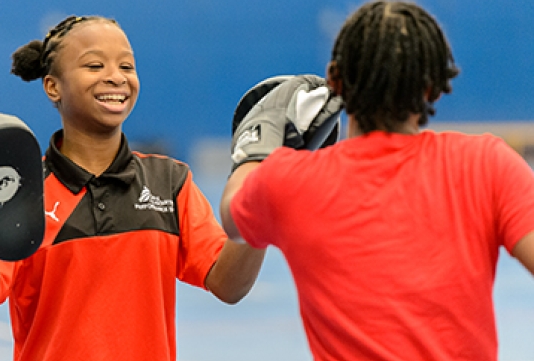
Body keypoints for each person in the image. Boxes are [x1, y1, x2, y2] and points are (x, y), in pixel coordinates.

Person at [221, 1, 534, 360]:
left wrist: (259, 143)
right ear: (431, 87)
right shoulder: (487, 164)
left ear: (335, 81)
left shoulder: (288, 182)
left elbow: (233, 216)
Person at [0, 15, 267, 361]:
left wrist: (262, 195)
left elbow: (229, 284)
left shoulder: (169, 181)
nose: (116, 77)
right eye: (94, 65)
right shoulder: (26, 193)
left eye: (127, 66)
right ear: (53, 86)